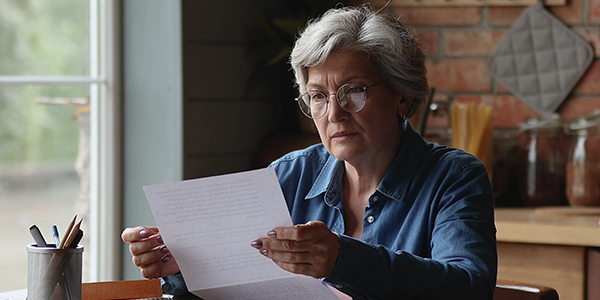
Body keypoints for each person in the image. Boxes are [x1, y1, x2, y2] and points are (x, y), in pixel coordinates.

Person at [122, 5, 497, 299]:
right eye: (318, 96)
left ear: (404, 97)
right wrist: (182, 267)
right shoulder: (288, 175)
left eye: (355, 91)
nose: (334, 113)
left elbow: (469, 286)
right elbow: (239, 283)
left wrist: (342, 260)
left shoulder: (454, 177)